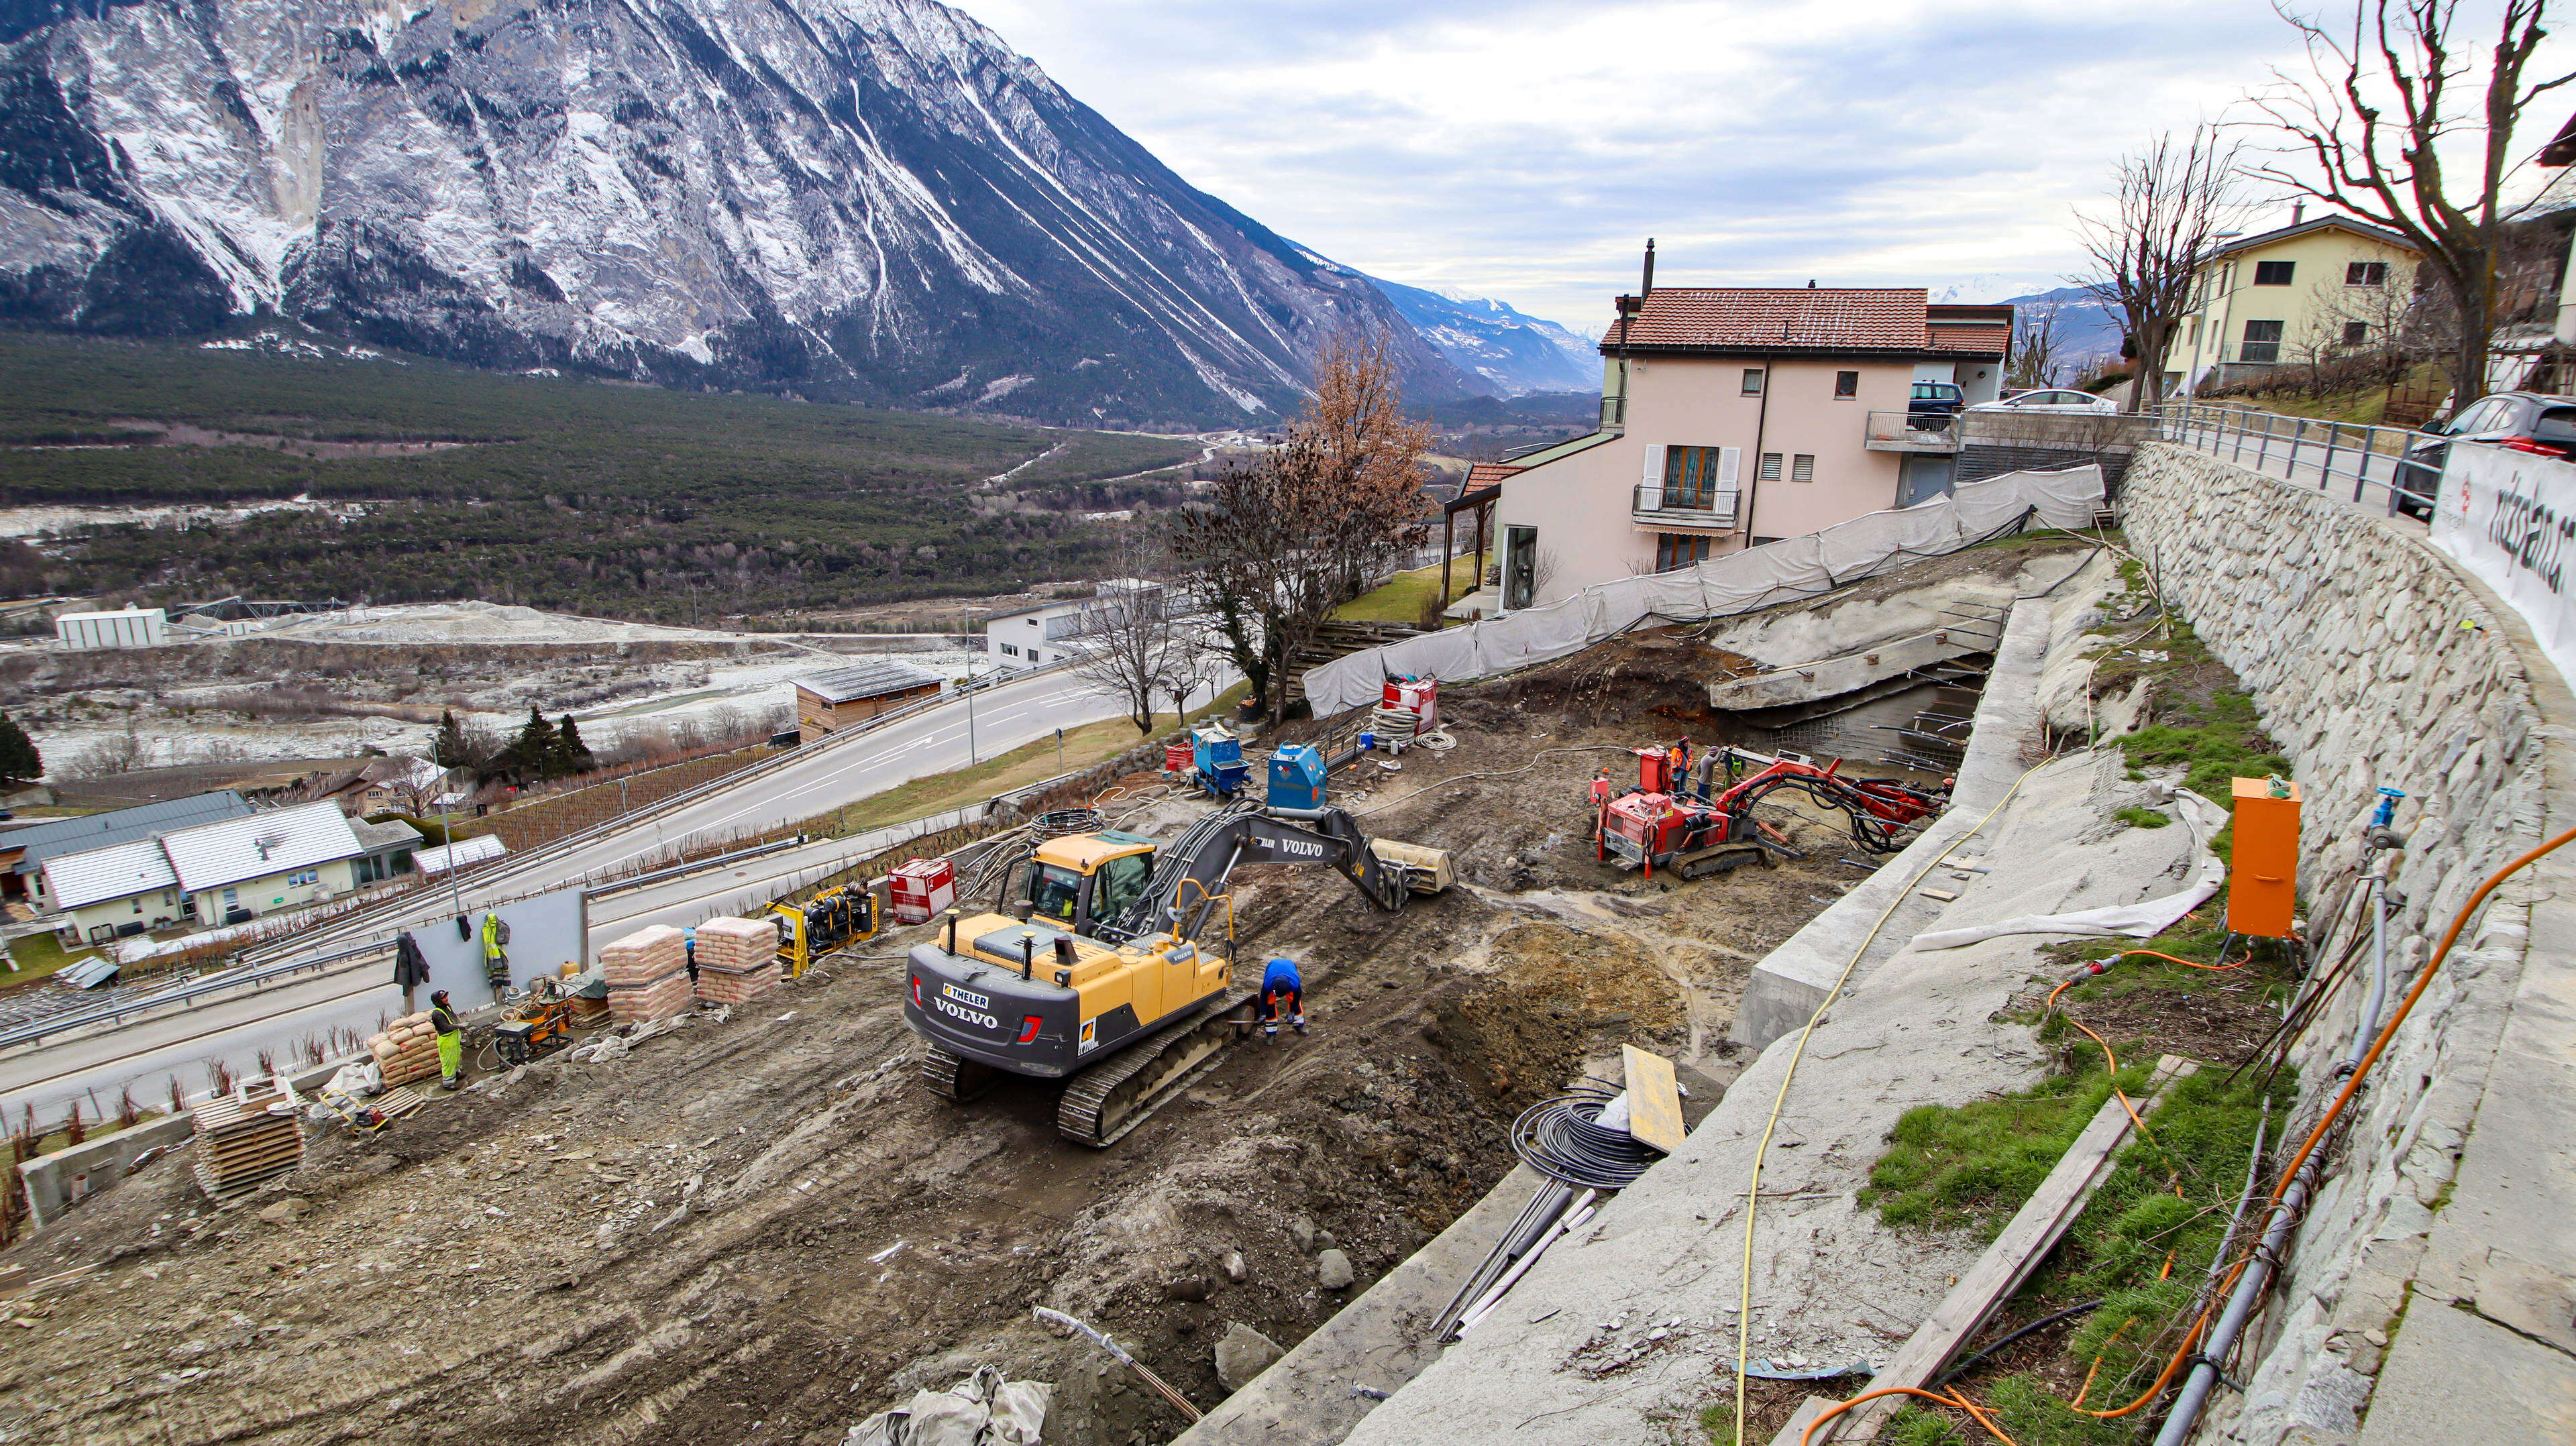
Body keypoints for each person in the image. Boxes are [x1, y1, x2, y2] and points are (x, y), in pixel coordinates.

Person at [1258, 956, 1305, 1042]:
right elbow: (1263, 998)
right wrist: (1263, 1014)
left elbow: (1297, 998)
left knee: (1294, 1002)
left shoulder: (1294, 983)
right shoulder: (1268, 984)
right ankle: (1271, 1035)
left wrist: (1292, 1011)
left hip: (1289, 968)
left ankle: (1299, 1027)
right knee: (1270, 1006)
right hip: (1273, 967)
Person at [431, 989, 464, 1091]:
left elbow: (453, 1016)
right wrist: (458, 1026)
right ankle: (448, 1083)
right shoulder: (437, 1014)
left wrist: (460, 1024)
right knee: (448, 1061)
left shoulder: (447, 1006)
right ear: (438, 1001)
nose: (446, 999)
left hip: (453, 1037)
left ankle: (456, 1074)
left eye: (446, 997)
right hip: (446, 1039)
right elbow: (445, 1027)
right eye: (444, 998)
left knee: (456, 1057)